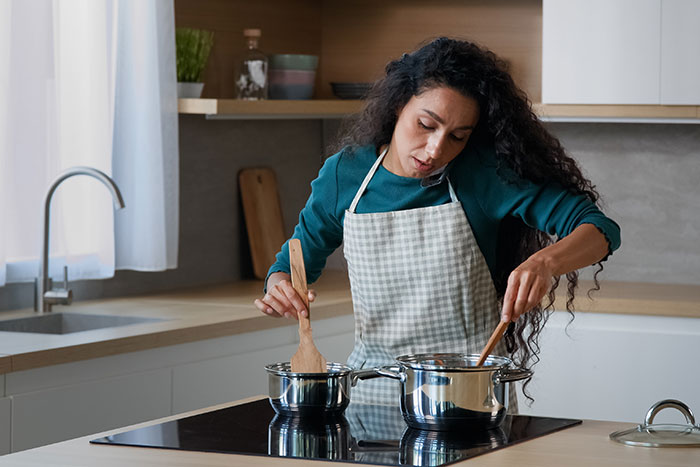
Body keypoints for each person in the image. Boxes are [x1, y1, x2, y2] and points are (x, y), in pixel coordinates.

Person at [254, 37, 621, 408]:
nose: (436, 150)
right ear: (399, 105)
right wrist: (281, 285)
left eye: (457, 137)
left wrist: (546, 262)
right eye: (426, 125)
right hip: (373, 393)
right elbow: (291, 263)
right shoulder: (345, 175)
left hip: (467, 399)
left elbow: (599, 229)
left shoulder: (482, 176)